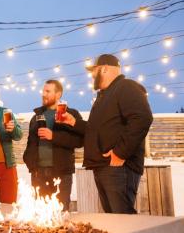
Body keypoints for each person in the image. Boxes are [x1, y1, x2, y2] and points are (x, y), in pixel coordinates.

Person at [59, 54, 153, 214]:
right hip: (104, 167)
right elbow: (96, 130)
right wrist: (74, 122)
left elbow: (142, 118)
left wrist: (120, 153)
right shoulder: (104, 96)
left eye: (93, 71)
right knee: (113, 218)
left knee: (123, 218)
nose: (92, 76)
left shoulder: (126, 86)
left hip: (119, 167)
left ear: (103, 69)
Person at [23, 79, 83, 211]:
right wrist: (31, 164)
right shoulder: (36, 116)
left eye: (48, 91)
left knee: (61, 213)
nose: (44, 94)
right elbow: (30, 144)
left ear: (58, 94)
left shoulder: (70, 114)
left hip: (61, 174)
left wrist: (53, 136)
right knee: (41, 213)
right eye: (43, 91)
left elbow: (79, 141)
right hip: (38, 174)